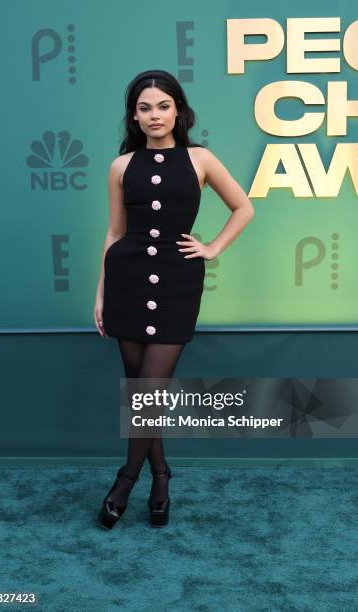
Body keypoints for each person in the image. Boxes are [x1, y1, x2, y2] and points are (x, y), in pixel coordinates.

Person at [93, 69, 255, 529]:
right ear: (134, 117)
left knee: (149, 392)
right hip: (125, 282)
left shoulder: (200, 158)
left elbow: (244, 207)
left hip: (177, 282)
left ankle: (126, 480)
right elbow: (113, 233)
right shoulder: (121, 167)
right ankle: (161, 476)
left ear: (178, 111)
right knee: (141, 395)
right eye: (144, 108)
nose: (154, 115)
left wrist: (213, 248)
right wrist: (100, 293)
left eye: (163, 106)